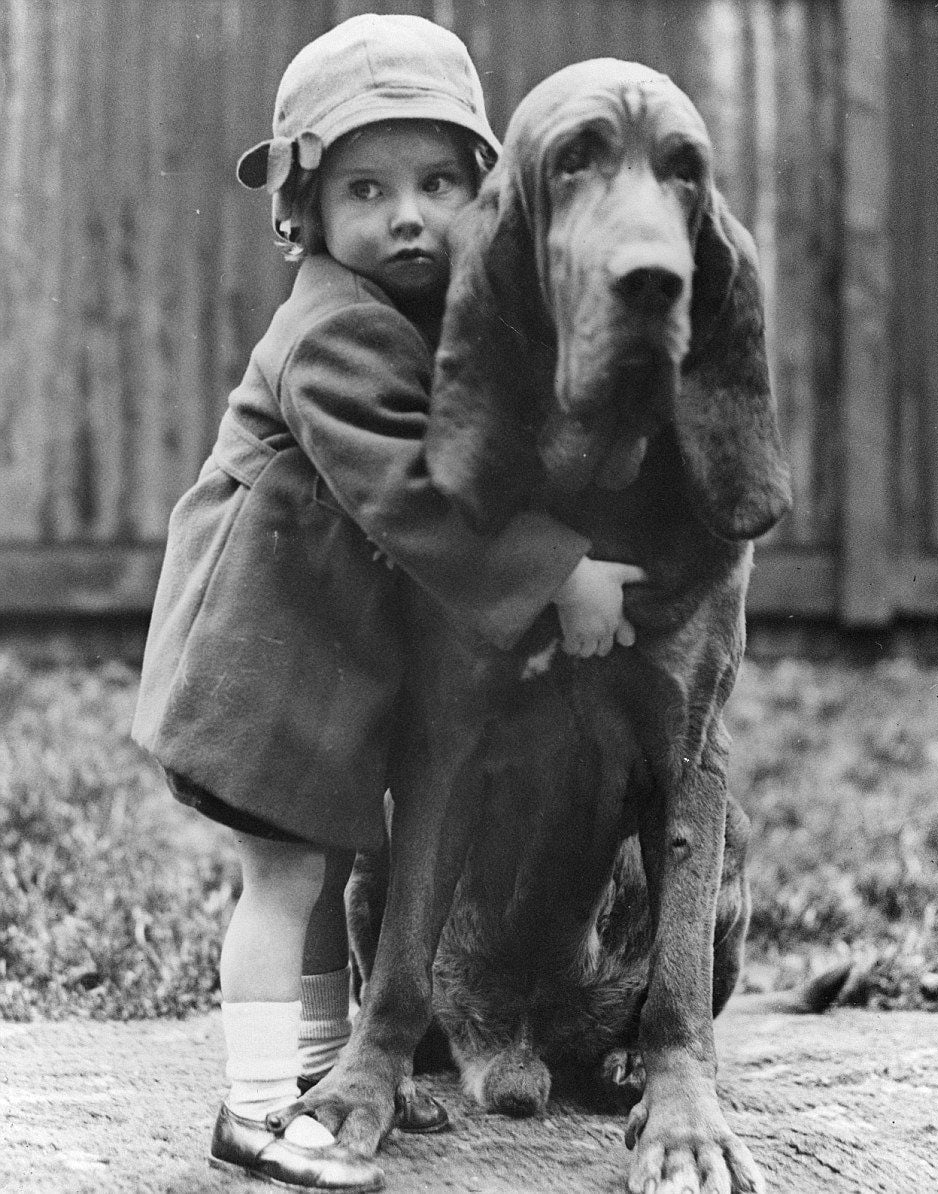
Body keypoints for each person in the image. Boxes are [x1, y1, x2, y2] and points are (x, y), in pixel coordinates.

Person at [132, 14, 643, 1191]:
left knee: (317, 875)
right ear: (303, 215)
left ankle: (331, 1072)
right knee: (284, 883)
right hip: (259, 654)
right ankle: (255, 1112)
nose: (406, 214)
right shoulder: (337, 329)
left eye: (437, 183)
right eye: (365, 188)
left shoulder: (417, 316)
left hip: (322, 654)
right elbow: (413, 499)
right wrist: (555, 572)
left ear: (484, 194)